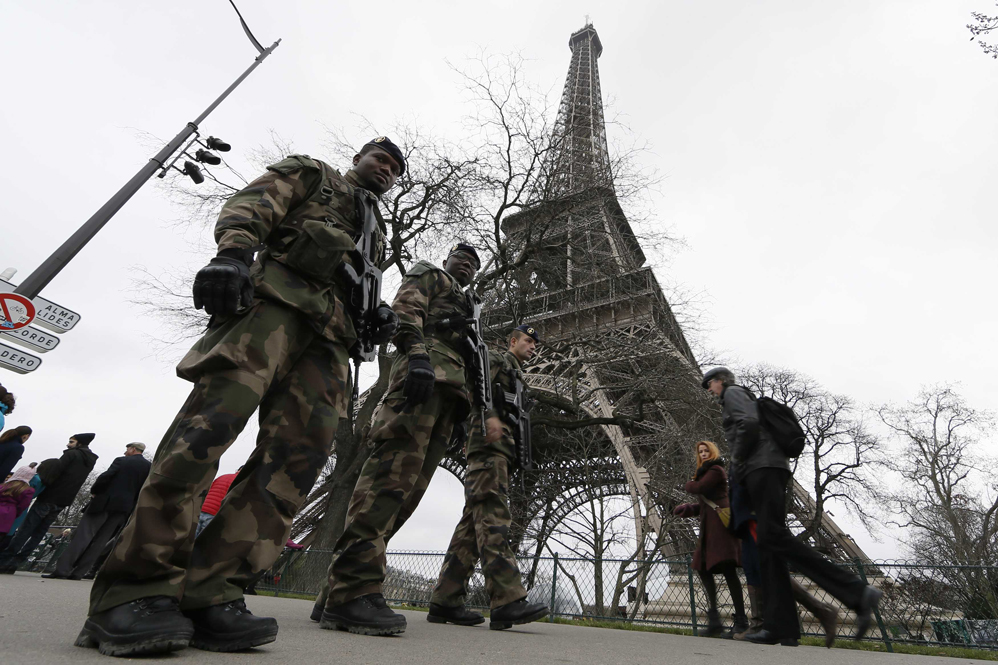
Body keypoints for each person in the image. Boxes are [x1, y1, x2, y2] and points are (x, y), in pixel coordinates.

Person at [78, 138, 405, 658]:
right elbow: (257, 203)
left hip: (331, 341)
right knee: (205, 435)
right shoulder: (316, 174)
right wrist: (233, 253)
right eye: (379, 159)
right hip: (271, 306)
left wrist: (379, 312)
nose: (386, 170)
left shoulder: (376, 233)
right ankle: (136, 590)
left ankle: (214, 592)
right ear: (358, 159)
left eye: (394, 168)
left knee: (295, 465)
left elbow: (358, 281)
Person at [314, 242, 482, 637]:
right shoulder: (431, 274)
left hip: (448, 400)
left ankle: (337, 588)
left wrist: (463, 412)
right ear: (447, 260)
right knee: (387, 482)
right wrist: (418, 355)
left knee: (406, 497)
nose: (468, 266)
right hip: (420, 384)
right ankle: (351, 593)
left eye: (474, 263)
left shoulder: (469, 308)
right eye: (462, 258)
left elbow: (470, 362)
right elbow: (407, 309)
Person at [702, 367, 881, 647]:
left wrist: (736, 462)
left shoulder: (733, 393)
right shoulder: (741, 396)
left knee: (772, 538)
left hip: (760, 469)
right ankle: (780, 628)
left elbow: (747, 423)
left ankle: (857, 591)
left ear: (721, 381)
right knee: (769, 549)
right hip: (767, 466)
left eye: (709, 383)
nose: (708, 389)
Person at [428, 324, 548, 630]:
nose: (533, 346)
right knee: (494, 516)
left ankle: (446, 599)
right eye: (528, 341)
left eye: (536, 344)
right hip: (488, 445)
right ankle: (506, 599)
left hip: (500, 450)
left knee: (472, 524)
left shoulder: (519, 375)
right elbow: (474, 384)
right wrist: (489, 415)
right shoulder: (495, 359)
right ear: (513, 341)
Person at [673, 440, 747, 638]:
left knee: (728, 571)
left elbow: (697, 488)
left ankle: (741, 620)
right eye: (700, 451)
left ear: (712, 452)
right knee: (702, 568)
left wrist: (689, 483)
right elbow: (705, 503)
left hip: (721, 530)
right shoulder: (705, 474)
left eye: (706, 451)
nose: (703, 453)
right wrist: (688, 509)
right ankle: (714, 619)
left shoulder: (716, 470)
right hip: (710, 529)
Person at [45, 443, 151, 580]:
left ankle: (62, 569)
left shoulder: (121, 461)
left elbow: (105, 477)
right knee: (101, 541)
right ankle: (79, 572)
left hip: (104, 503)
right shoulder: (148, 467)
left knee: (84, 535)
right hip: (124, 508)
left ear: (133, 449)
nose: (125, 452)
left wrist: (95, 491)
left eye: (127, 449)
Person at [0, 434, 98, 572]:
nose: (68, 444)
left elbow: (56, 473)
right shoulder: (90, 460)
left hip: (50, 496)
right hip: (64, 500)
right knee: (39, 532)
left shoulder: (70, 455)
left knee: (26, 530)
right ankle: (17, 561)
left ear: (79, 443)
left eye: (71, 442)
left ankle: (5, 560)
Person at [195, 467, 241, 538]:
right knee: (201, 542)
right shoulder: (239, 482)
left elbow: (208, 490)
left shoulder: (223, 476)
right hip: (214, 514)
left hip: (201, 510)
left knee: (190, 540)